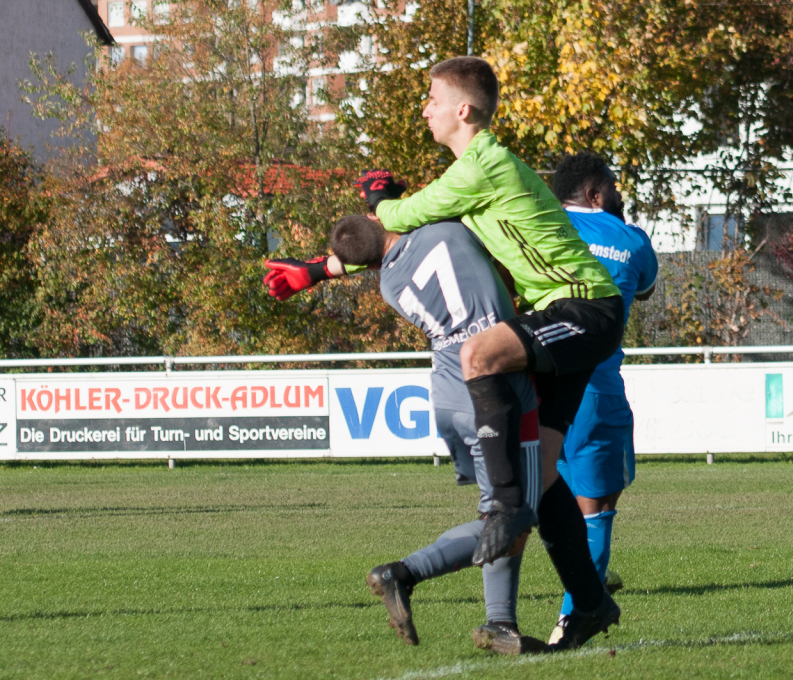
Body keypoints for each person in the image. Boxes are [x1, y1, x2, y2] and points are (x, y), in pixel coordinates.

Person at [352, 56, 623, 649]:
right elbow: (399, 238)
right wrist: (327, 265)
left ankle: (501, 507)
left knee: (478, 354)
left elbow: (402, 217)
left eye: (431, 98)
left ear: (463, 109)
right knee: (543, 481)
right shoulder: (475, 170)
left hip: (585, 307)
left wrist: (378, 200)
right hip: (563, 309)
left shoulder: (480, 166)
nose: (424, 108)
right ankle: (590, 603)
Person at [263, 219, 546, 655]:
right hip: (495, 390)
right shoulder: (447, 230)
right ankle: (409, 574)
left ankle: (502, 622)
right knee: (513, 513)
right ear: (380, 218)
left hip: (448, 394)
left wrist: (320, 270)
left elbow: (376, 253)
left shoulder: (390, 285)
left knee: (499, 509)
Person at [547, 152, 659, 645]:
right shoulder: (631, 239)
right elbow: (646, 290)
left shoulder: (538, 224)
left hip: (539, 381)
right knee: (598, 507)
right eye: (612, 188)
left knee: (554, 495)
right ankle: (573, 620)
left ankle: (591, 579)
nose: (619, 195)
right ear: (595, 194)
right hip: (595, 387)